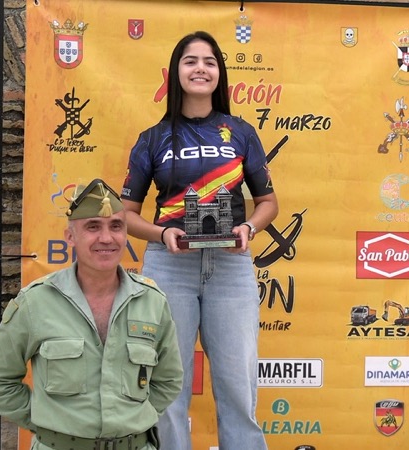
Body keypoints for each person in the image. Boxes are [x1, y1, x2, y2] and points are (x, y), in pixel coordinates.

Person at [120, 31, 278, 450]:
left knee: (238, 385)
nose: (200, 69)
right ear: (176, 72)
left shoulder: (241, 132)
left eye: (209, 61)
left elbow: (268, 203)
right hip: (169, 267)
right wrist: (163, 233)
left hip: (230, 266)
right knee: (167, 385)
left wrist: (249, 228)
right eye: (190, 61)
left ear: (219, 73)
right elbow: (125, 215)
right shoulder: (152, 138)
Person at [0, 178, 184, 450]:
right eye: (93, 227)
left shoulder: (151, 302)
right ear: (70, 237)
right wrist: (48, 421)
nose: (106, 238)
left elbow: (169, 380)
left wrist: (133, 419)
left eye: (116, 226)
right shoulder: (35, 302)